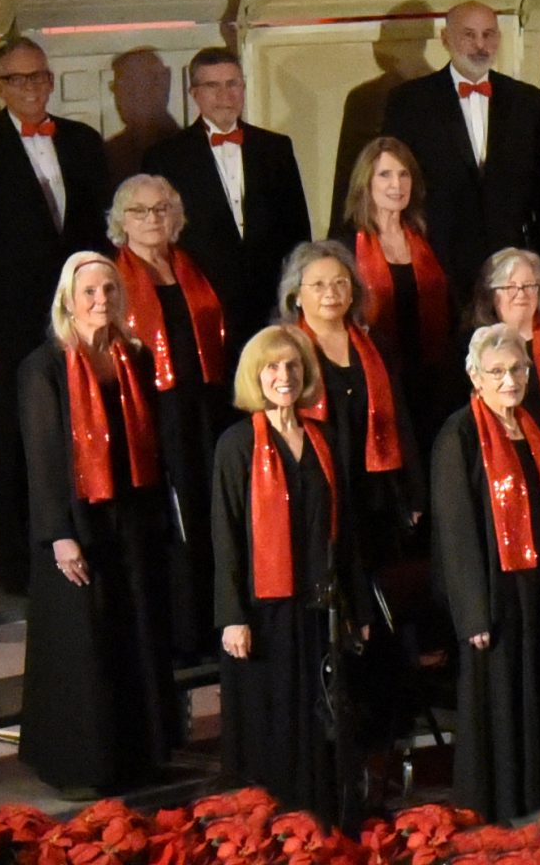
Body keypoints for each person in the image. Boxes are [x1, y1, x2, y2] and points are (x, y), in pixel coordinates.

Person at [0, 36, 111, 591]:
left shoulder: (84, 142)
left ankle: (87, 547)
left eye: (40, 76)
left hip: (82, 318)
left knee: (85, 428)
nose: (32, 88)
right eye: (18, 79)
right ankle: (22, 563)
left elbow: (102, 237)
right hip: (12, 323)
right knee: (19, 442)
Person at [16, 252, 182, 796]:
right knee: (85, 642)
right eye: (89, 292)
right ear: (68, 299)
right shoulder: (43, 367)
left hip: (129, 516)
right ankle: (81, 766)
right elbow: (42, 460)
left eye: (109, 290)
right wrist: (59, 534)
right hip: (76, 522)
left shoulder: (131, 356)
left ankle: (141, 756)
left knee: (134, 632)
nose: (100, 301)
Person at [430, 324, 540, 820]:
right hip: (496, 589)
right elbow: (455, 532)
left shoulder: (533, 424)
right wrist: (472, 614)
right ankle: (504, 801)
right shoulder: (457, 435)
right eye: (497, 371)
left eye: (518, 369)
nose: (509, 380)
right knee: (501, 695)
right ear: (475, 377)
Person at [211, 326, 371, 823]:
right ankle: (273, 827)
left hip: (319, 604)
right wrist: (232, 617)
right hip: (264, 610)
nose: (285, 376)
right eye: (273, 367)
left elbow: (345, 534)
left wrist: (358, 607)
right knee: (273, 718)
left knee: (321, 717)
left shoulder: (321, 440)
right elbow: (226, 538)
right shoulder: (236, 445)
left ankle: (323, 819)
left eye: (293, 366)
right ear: (256, 376)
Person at [108, 174, 233, 658]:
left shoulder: (189, 265)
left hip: (203, 404)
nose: (153, 219)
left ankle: (213, 621)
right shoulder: (115, 276)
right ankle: (178, 634)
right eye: (140, 211)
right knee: (170, 520)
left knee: (208, 514)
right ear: (122, 221)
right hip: (151, 411)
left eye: (162, 208)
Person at [378, 1, 540, 288]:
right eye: (469, 35)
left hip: (510, 265)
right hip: (437, 262)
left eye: (489, 34)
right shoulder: (409, 102)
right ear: (445, 39)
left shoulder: (526, 101)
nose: (480, 45)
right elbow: (389, 186)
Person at [141, 48, 313, 353]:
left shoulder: (276, 148)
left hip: (270, 300)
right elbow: (156, 241)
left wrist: (298, 295)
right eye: (213, 86)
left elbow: (298, 230)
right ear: (194, 93)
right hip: (201, 304)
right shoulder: (165, 157)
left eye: (233, 84)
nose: (225, 94)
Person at [276, 242, 417, 574]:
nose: (332, 293)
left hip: (373, 487)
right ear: (296, 295)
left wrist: (413, 491)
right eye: (319, 285)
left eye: (341, 282)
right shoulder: (283, 349)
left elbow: (399, 418)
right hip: (315, 487)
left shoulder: (375, 345)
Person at [336, 137, 461, 441]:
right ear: (366, 182)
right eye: (385, 174)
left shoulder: (428, 237)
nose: (397, 184)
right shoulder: (345, 242)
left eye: (404, 174)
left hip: (433, 379)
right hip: (376, 379)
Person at [470, 249, 540, 446]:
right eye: (510, 287)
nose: (521, 294)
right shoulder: (477, 348)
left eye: (529, 286)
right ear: (491, 295)